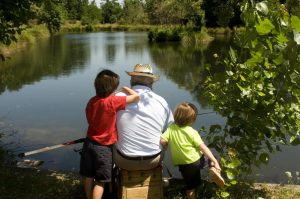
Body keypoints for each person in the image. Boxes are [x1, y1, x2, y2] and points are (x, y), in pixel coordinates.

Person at [79, 69, 140, 199]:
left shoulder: (91, 101)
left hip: (89, 143)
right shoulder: (113, 102)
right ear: (112, 88)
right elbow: (136, 97)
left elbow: (90, 119)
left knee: (88, 177)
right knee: (101, 182)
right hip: (104, 148)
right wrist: (125, 89)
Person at [113, 64, 174, 171]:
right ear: (152, 82)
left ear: (131, 79)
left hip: (124, 161)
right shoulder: (161, 101)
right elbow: (171, 128)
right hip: (153, 161)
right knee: (165, 138)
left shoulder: (117, 98)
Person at [160, 102, 224, 199]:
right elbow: (203, 147)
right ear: (191, 119)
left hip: (183, 164)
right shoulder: (192, 132)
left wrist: (166, 143)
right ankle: (213, 168)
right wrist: (215, 162)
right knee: (213, 156)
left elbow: (162, 141)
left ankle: (191, 194)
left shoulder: (171, 128)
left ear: (175, 116)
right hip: (195, 161)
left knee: (190, 186)